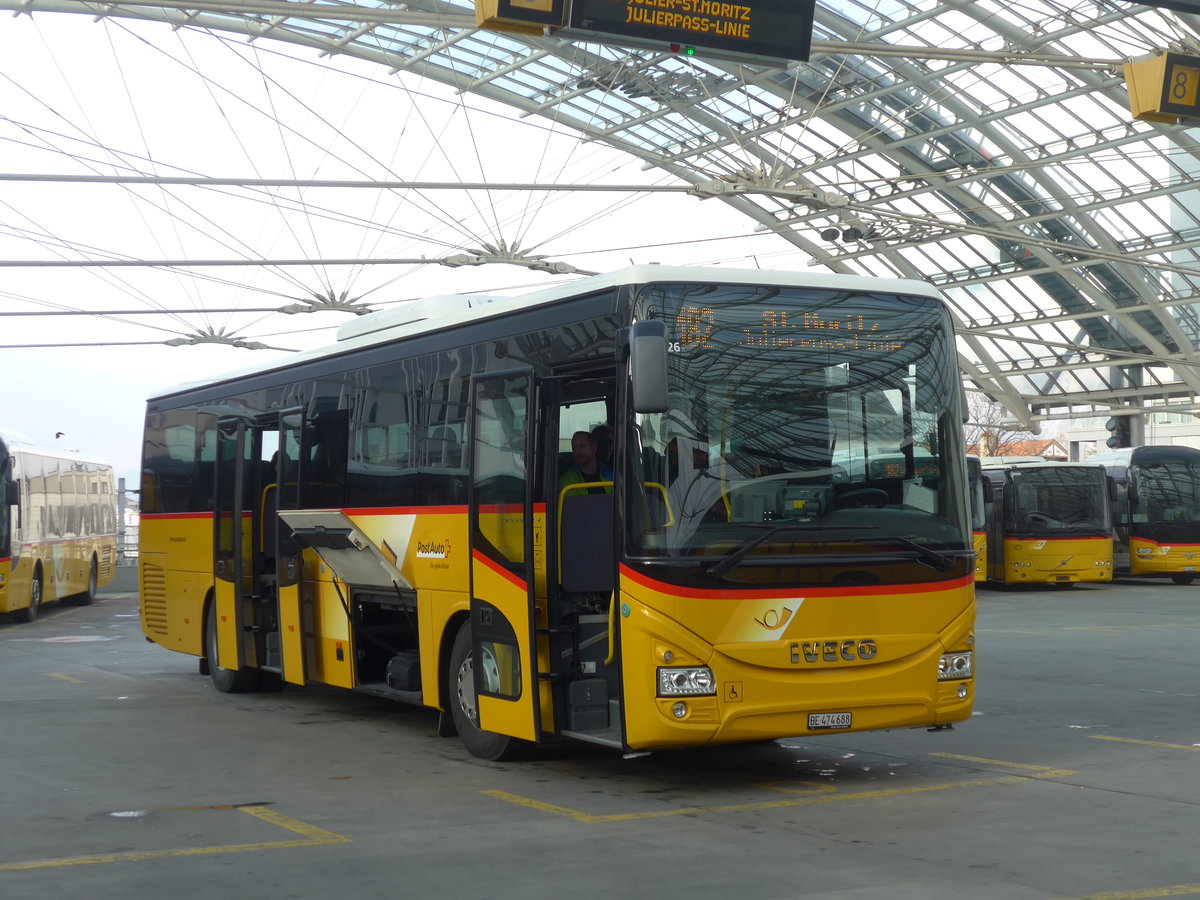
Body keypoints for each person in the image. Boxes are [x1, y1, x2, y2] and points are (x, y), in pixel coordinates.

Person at [558, 430, 613, 495]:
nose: (577, 452)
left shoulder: (611, 475)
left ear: (594, 447)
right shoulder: (567, 481)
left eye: (581, 446)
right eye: (574, 448)